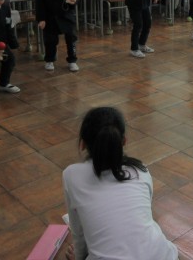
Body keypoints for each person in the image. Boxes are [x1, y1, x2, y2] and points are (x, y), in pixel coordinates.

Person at [62, 107, 178, 260]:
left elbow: (78, 232)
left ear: (82, 144)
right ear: (123, 141)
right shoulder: (140, 170)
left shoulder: (71, 175)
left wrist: (78, 257)